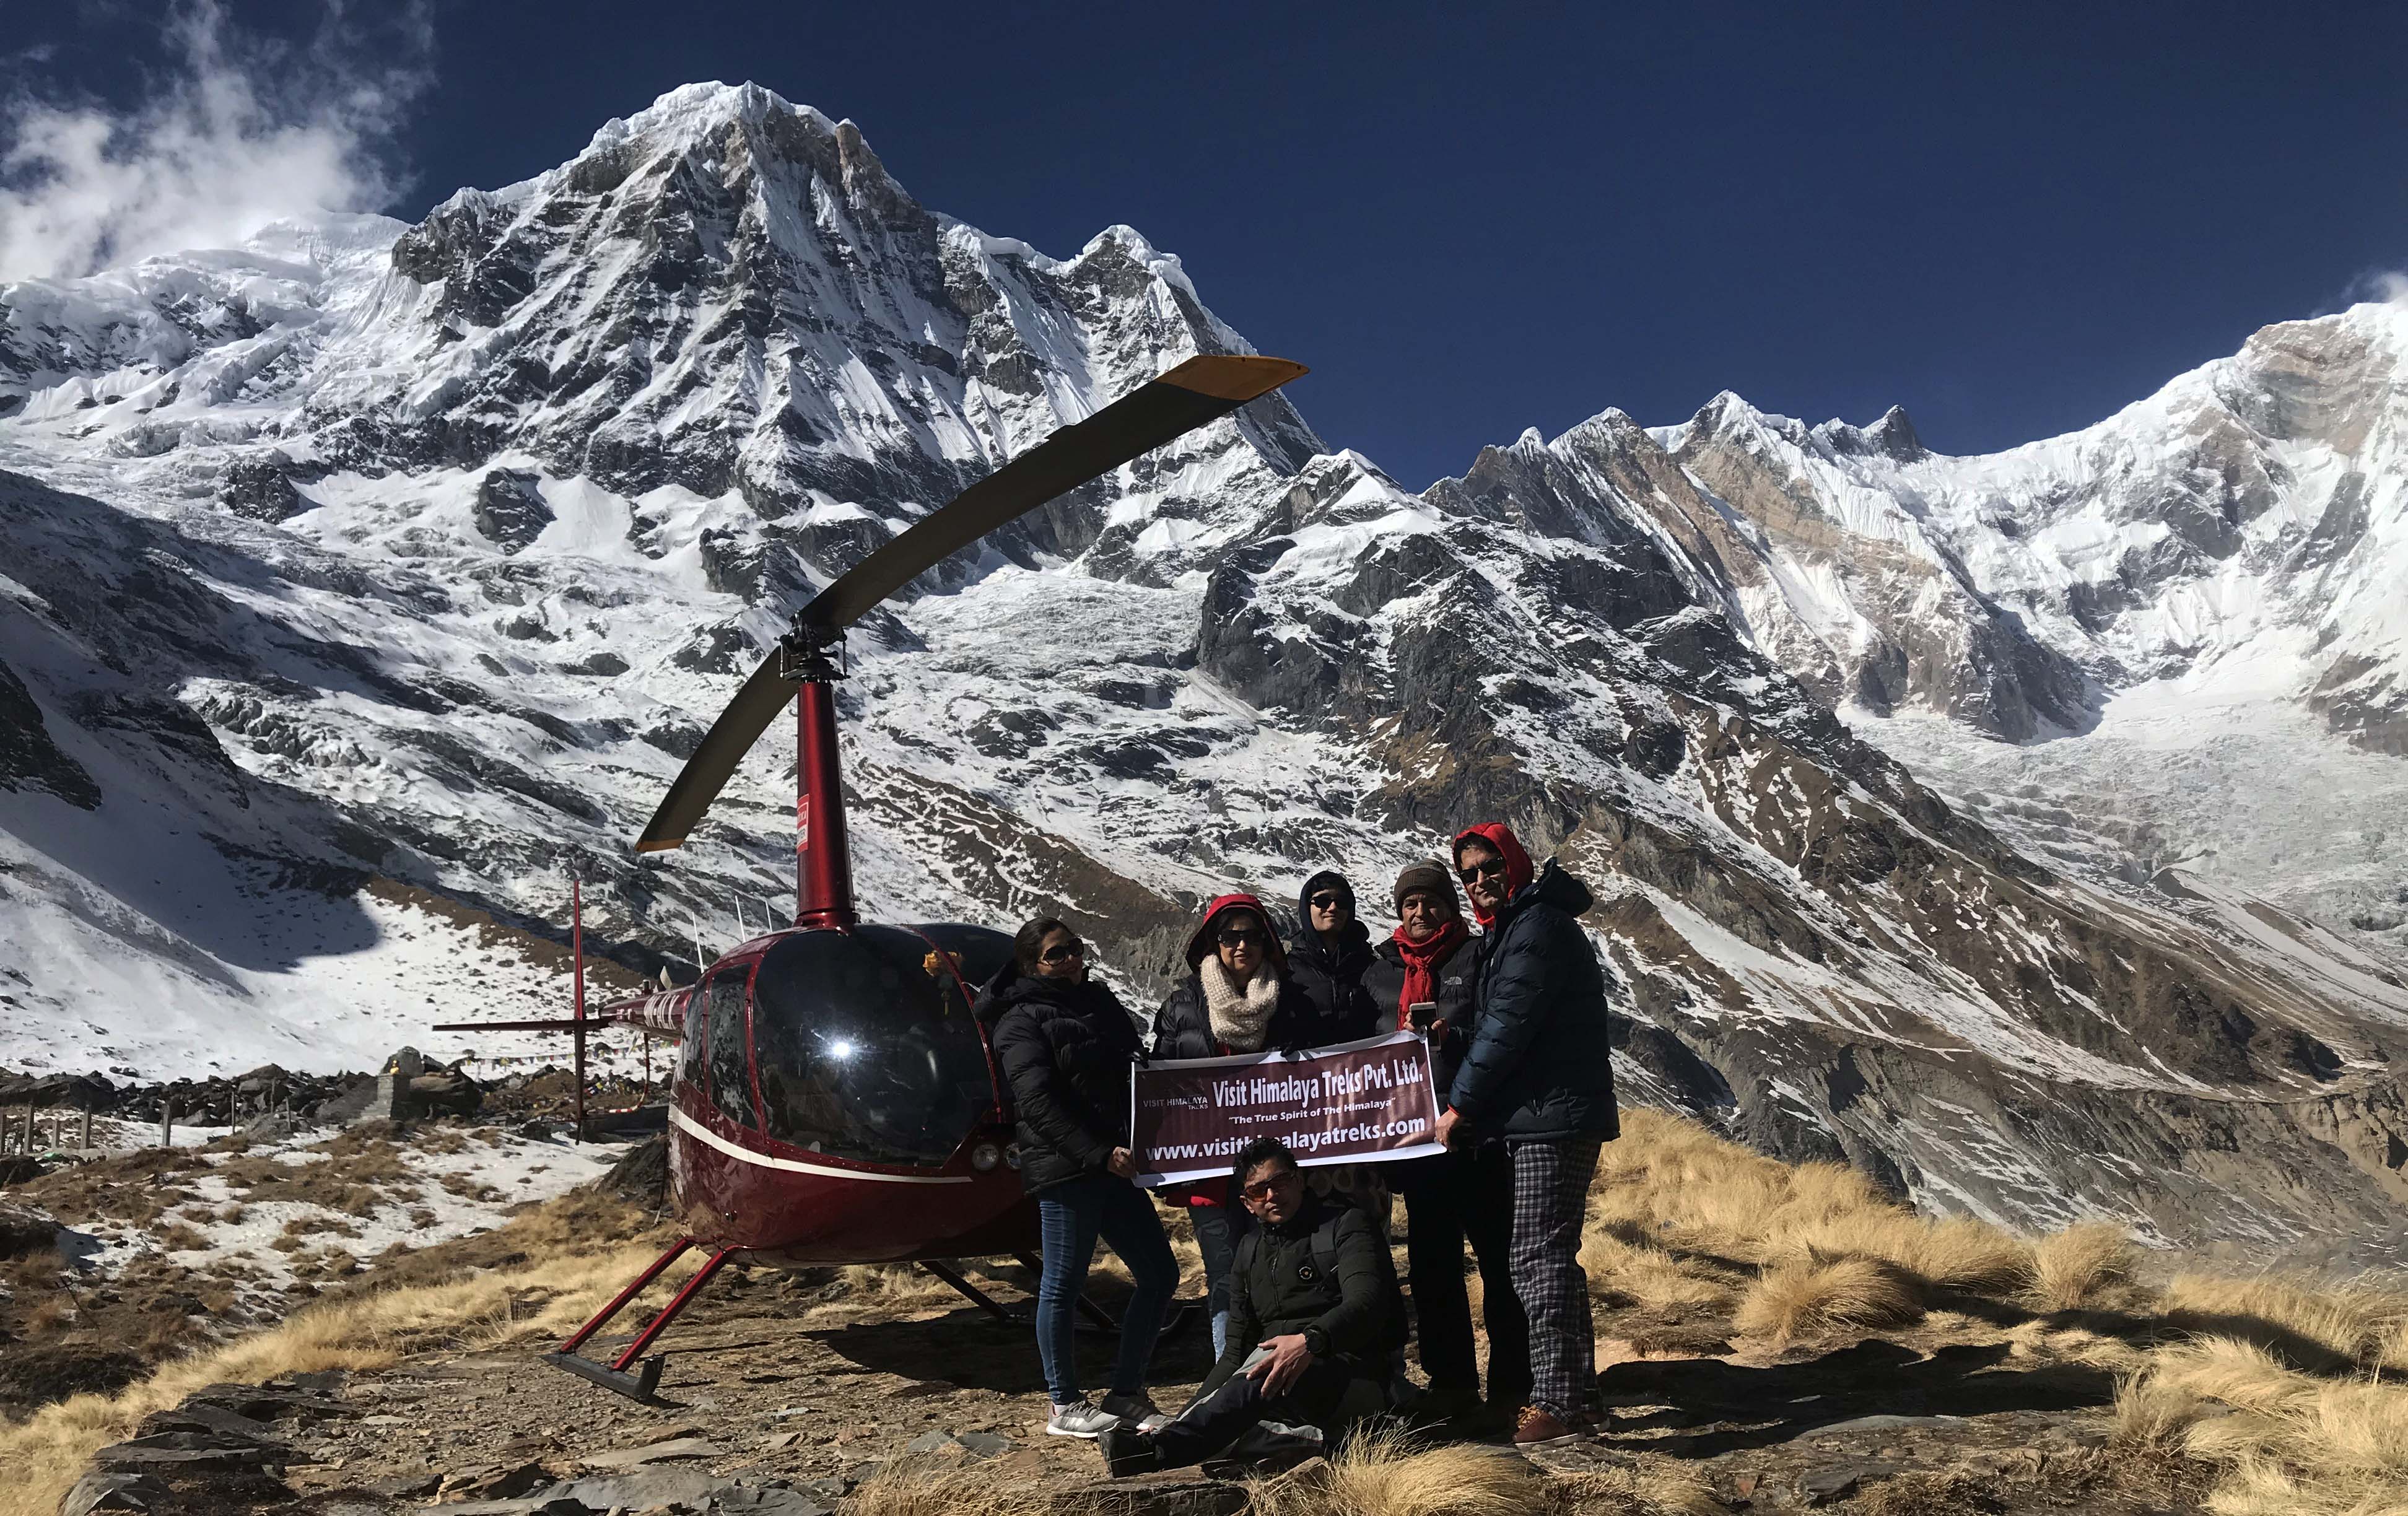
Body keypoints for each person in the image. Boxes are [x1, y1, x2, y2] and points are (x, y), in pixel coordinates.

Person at [1432, 824, 1618, 1447]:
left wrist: (1459, 1105)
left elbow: (1510, 1027)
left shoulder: (1533, 927)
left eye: (1490, 867)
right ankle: (1582, 1399)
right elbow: (1508, 1025)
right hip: (1548, 1114)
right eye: (1470, 874)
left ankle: (1558, 1406)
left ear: (1514, 863)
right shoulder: (1518, 927)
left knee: (1537, 1260)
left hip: (1551, 1119)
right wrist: (1452, 1042)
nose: (1481, 881)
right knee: (1550, 1259)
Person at [980, 917, 1179, 1439]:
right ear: (1030, 965)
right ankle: (1063, 1404)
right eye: (1054, 954)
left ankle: (1127, 1393)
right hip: (1070, 1169)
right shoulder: (1018, 1021)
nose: (1069, 959)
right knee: (1063, 1284)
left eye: (1073, 948)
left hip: (1115, 1162)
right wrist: (1095, 1153)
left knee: (1160, 1275)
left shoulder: (1096, 1001)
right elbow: (1037, 1103)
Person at [1099, 1137, 1402, 1477]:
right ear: (1247, 1203)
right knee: (1231, 1408)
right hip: (1272, 1394)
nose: (1272, 1196)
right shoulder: (1249, 1250)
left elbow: (1368, 1303)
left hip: (1349, 1375)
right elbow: (1234, 1353)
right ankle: (1324, 1445)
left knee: (1258, 1372)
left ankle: (1157, 1451)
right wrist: (1187, 1413)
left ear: (1299, 1181)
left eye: (1280, 1182)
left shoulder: (1347, 1225)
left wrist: (1309, 1342)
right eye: (1260, 1191)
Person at [1363, 861, 1530, 1424]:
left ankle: (1514, 1383)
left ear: (1449, 906)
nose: (1420, 912)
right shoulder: (1381, 971)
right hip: (1419, 1148)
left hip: (1478, 1138)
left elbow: (1502, 1027)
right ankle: (1452, 1381)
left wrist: (1450, 1036)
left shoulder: (1478, 953)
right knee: (1433, 1269)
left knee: (1499, 1266)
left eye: (1431, 901)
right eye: (1410, 903)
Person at [1152, 894, 1332, 1359]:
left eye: (1252, 935)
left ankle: (1283, 1376)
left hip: (1276, 1173)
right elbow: (1160, 1083)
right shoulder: (1182, 1006)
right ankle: (1229, 1381)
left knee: (1286, 1268)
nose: (1241, 945)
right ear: (1214, 942)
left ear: (1267, 941)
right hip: (1211, 1175)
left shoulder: (1292, 1005)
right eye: (1230, 936)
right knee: (1226, 1276)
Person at [1283, 870, 1382, 1042]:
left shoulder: (1371, 966)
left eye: (1342, 902)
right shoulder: (1286, 968)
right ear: (1307, 907)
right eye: (1323, 901)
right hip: (1307, 1067)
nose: (1333, 908)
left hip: (1363, 1066)